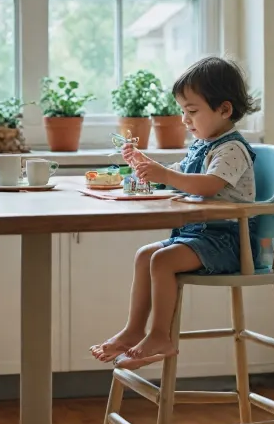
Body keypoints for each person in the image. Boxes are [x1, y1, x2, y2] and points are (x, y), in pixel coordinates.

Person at [90, 57, 259, 369]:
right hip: (198, 237)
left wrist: (165, 176)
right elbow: (177, 175)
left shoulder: (230, 150)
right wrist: (147, 167)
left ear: (224, 109)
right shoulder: (201, 146)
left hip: (227, 243)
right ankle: (133, 330)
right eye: (183, 111)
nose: (184, 119)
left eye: (192, 111)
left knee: (162, 259)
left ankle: (159, 335)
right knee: (145, 255)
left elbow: (208, 185)